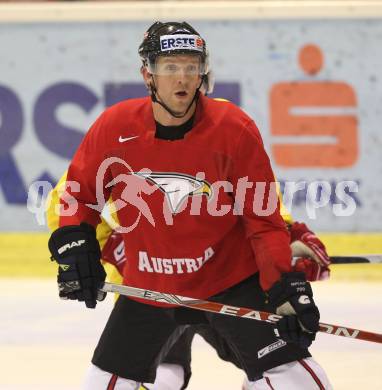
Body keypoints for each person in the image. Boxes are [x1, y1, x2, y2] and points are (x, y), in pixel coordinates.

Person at [47, 21, 332, 389]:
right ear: (147, 74)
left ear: (203, 73)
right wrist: (77, 245)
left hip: (230, 280)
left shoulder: (233, 128)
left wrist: (283, 282)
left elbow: (262, 221)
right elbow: (78, 197)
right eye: (169, 67)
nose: (181, 78)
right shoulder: (114, 126)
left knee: (303, 385)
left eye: (191, 66)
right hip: (151, 285)